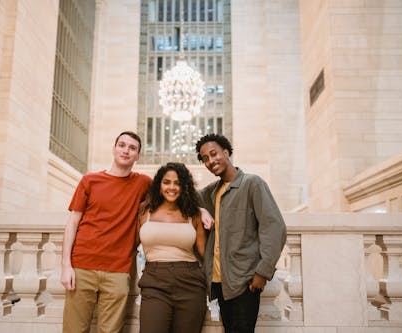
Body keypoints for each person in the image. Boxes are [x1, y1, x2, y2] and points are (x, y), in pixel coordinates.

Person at [61, 131, 152, 333]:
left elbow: (174, 193)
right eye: (122, 145)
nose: (126, 150)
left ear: (138, 156)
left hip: (118, 271)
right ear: (114, 149)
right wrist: (66, 265)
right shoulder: (89, 180)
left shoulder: (143, 183)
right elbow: (72, 223)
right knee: (74, 330)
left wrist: (200, 209)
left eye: (132, 148)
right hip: (82, 266)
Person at [195, 133, 287, 333]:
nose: (211, 161)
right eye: (205, 159)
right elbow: (187, 197)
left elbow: (274, 228)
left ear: (226, 152)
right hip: (220, 282)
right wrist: (201, 210)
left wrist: (263, 271)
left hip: (244, 280)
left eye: (214, 154)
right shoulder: (212, 191)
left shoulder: (252, 183)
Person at [137, 162, 207, 333]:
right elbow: (129, 245)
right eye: (166, 182)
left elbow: (205, 254)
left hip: (190, 282)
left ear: (184, 187)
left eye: (177, 183)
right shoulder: (144, 211)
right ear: (159, 185)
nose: (172, 187)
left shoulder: (194, 214)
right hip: (154, 282)